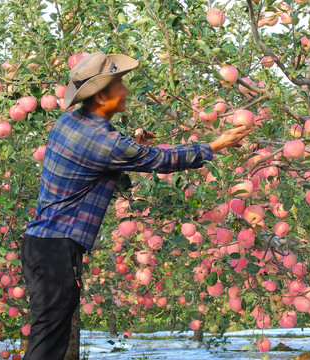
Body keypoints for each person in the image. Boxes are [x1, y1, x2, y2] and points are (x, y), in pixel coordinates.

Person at [20, 51, 251, 360]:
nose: (126, 90)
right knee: (48, 344)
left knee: (47, 335)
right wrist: (216, 145)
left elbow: (108, 150)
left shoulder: (69, 122)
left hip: (40, 245)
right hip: (58, 251)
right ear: (102, 96)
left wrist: (134, 142)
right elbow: (162, 160)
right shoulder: (107, 143)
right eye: (119, 85)